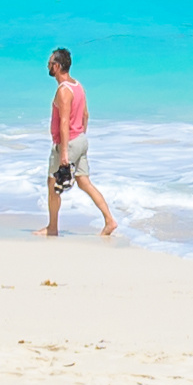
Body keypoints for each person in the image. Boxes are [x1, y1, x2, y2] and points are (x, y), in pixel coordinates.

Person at [41, 45, 116, 241]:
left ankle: (52, 228)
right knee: (84, 182)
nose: (47, 66)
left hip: (69, 143)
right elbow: (85, 114)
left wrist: (65, 152)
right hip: (80, 139)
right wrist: (81, 137)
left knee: (52, 184)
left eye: (49, 63)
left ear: (57, 66)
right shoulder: (77, 85)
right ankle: (109, 220)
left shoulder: (63, 91)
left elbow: (64, 122)